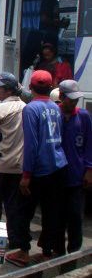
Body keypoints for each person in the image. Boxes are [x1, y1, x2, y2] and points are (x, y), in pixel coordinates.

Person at [6, 70, 68, 266]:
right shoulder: (56, 108)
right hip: (58, 166)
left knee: (23, 212)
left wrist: (26, 175)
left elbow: (31, 145)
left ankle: (24, 252)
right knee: (51, 212)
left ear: (30, 88)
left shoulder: (30, 109)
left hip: (38, 170)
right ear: (50, 88)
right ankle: (47, 251)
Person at [0, 72, 26, 250]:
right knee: (13, 205)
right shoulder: (26, 107)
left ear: (8, 90)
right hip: (20, 165)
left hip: (1, 164)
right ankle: (15, 240)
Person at [58, 80, 92, 253]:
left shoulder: (84, 116)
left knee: (75, 219)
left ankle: (73, 253)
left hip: (76, 177)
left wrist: (89, 170)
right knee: (56, 219)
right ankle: (56, 252)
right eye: (70, 99)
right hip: (56, 176)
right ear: (61, 97)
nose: (74, 102)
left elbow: (89, 144)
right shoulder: (55, 115)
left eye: (76, 99)